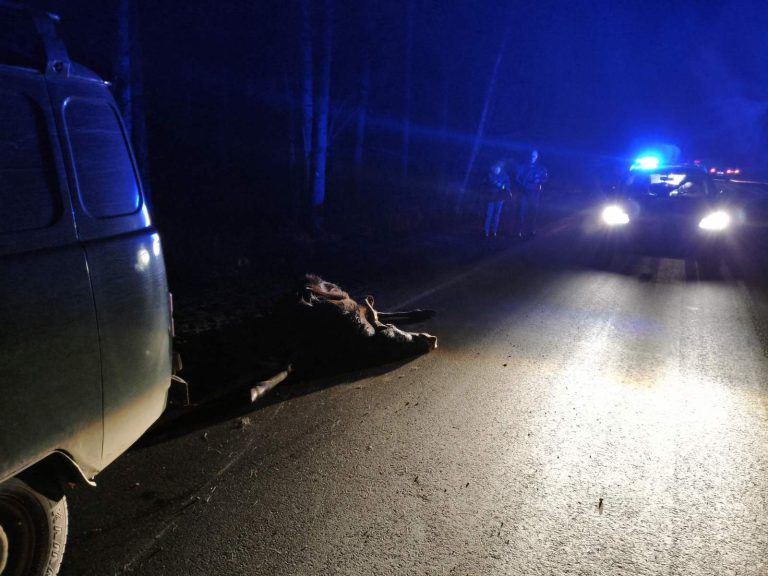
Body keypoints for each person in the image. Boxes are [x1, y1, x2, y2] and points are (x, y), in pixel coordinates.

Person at [514, 149, 548, 239]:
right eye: (531, 155)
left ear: (537, 156)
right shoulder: (522, 166)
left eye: (534, 155)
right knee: (521, 212)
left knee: (533, 212)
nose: (532, 157)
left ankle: (531, 230)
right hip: (523, 192)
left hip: (534, 193)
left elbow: (545, 178)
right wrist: (522, 186)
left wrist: (539, 180)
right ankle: (519, 231)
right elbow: (516, 178)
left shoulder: (541, 167)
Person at [483, 160, 511, 238]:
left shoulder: (505, 176)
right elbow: (486, 184)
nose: (497, 169)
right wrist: (493, 185)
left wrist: (502, 186)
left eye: (498, 168)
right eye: (496, 168)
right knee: (489, 215)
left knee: (497, 215)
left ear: (501, 168)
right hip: (491, 198)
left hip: (500, 198)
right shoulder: (490, 175)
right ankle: (486, 231)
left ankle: (494, 231)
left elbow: (507, 186)